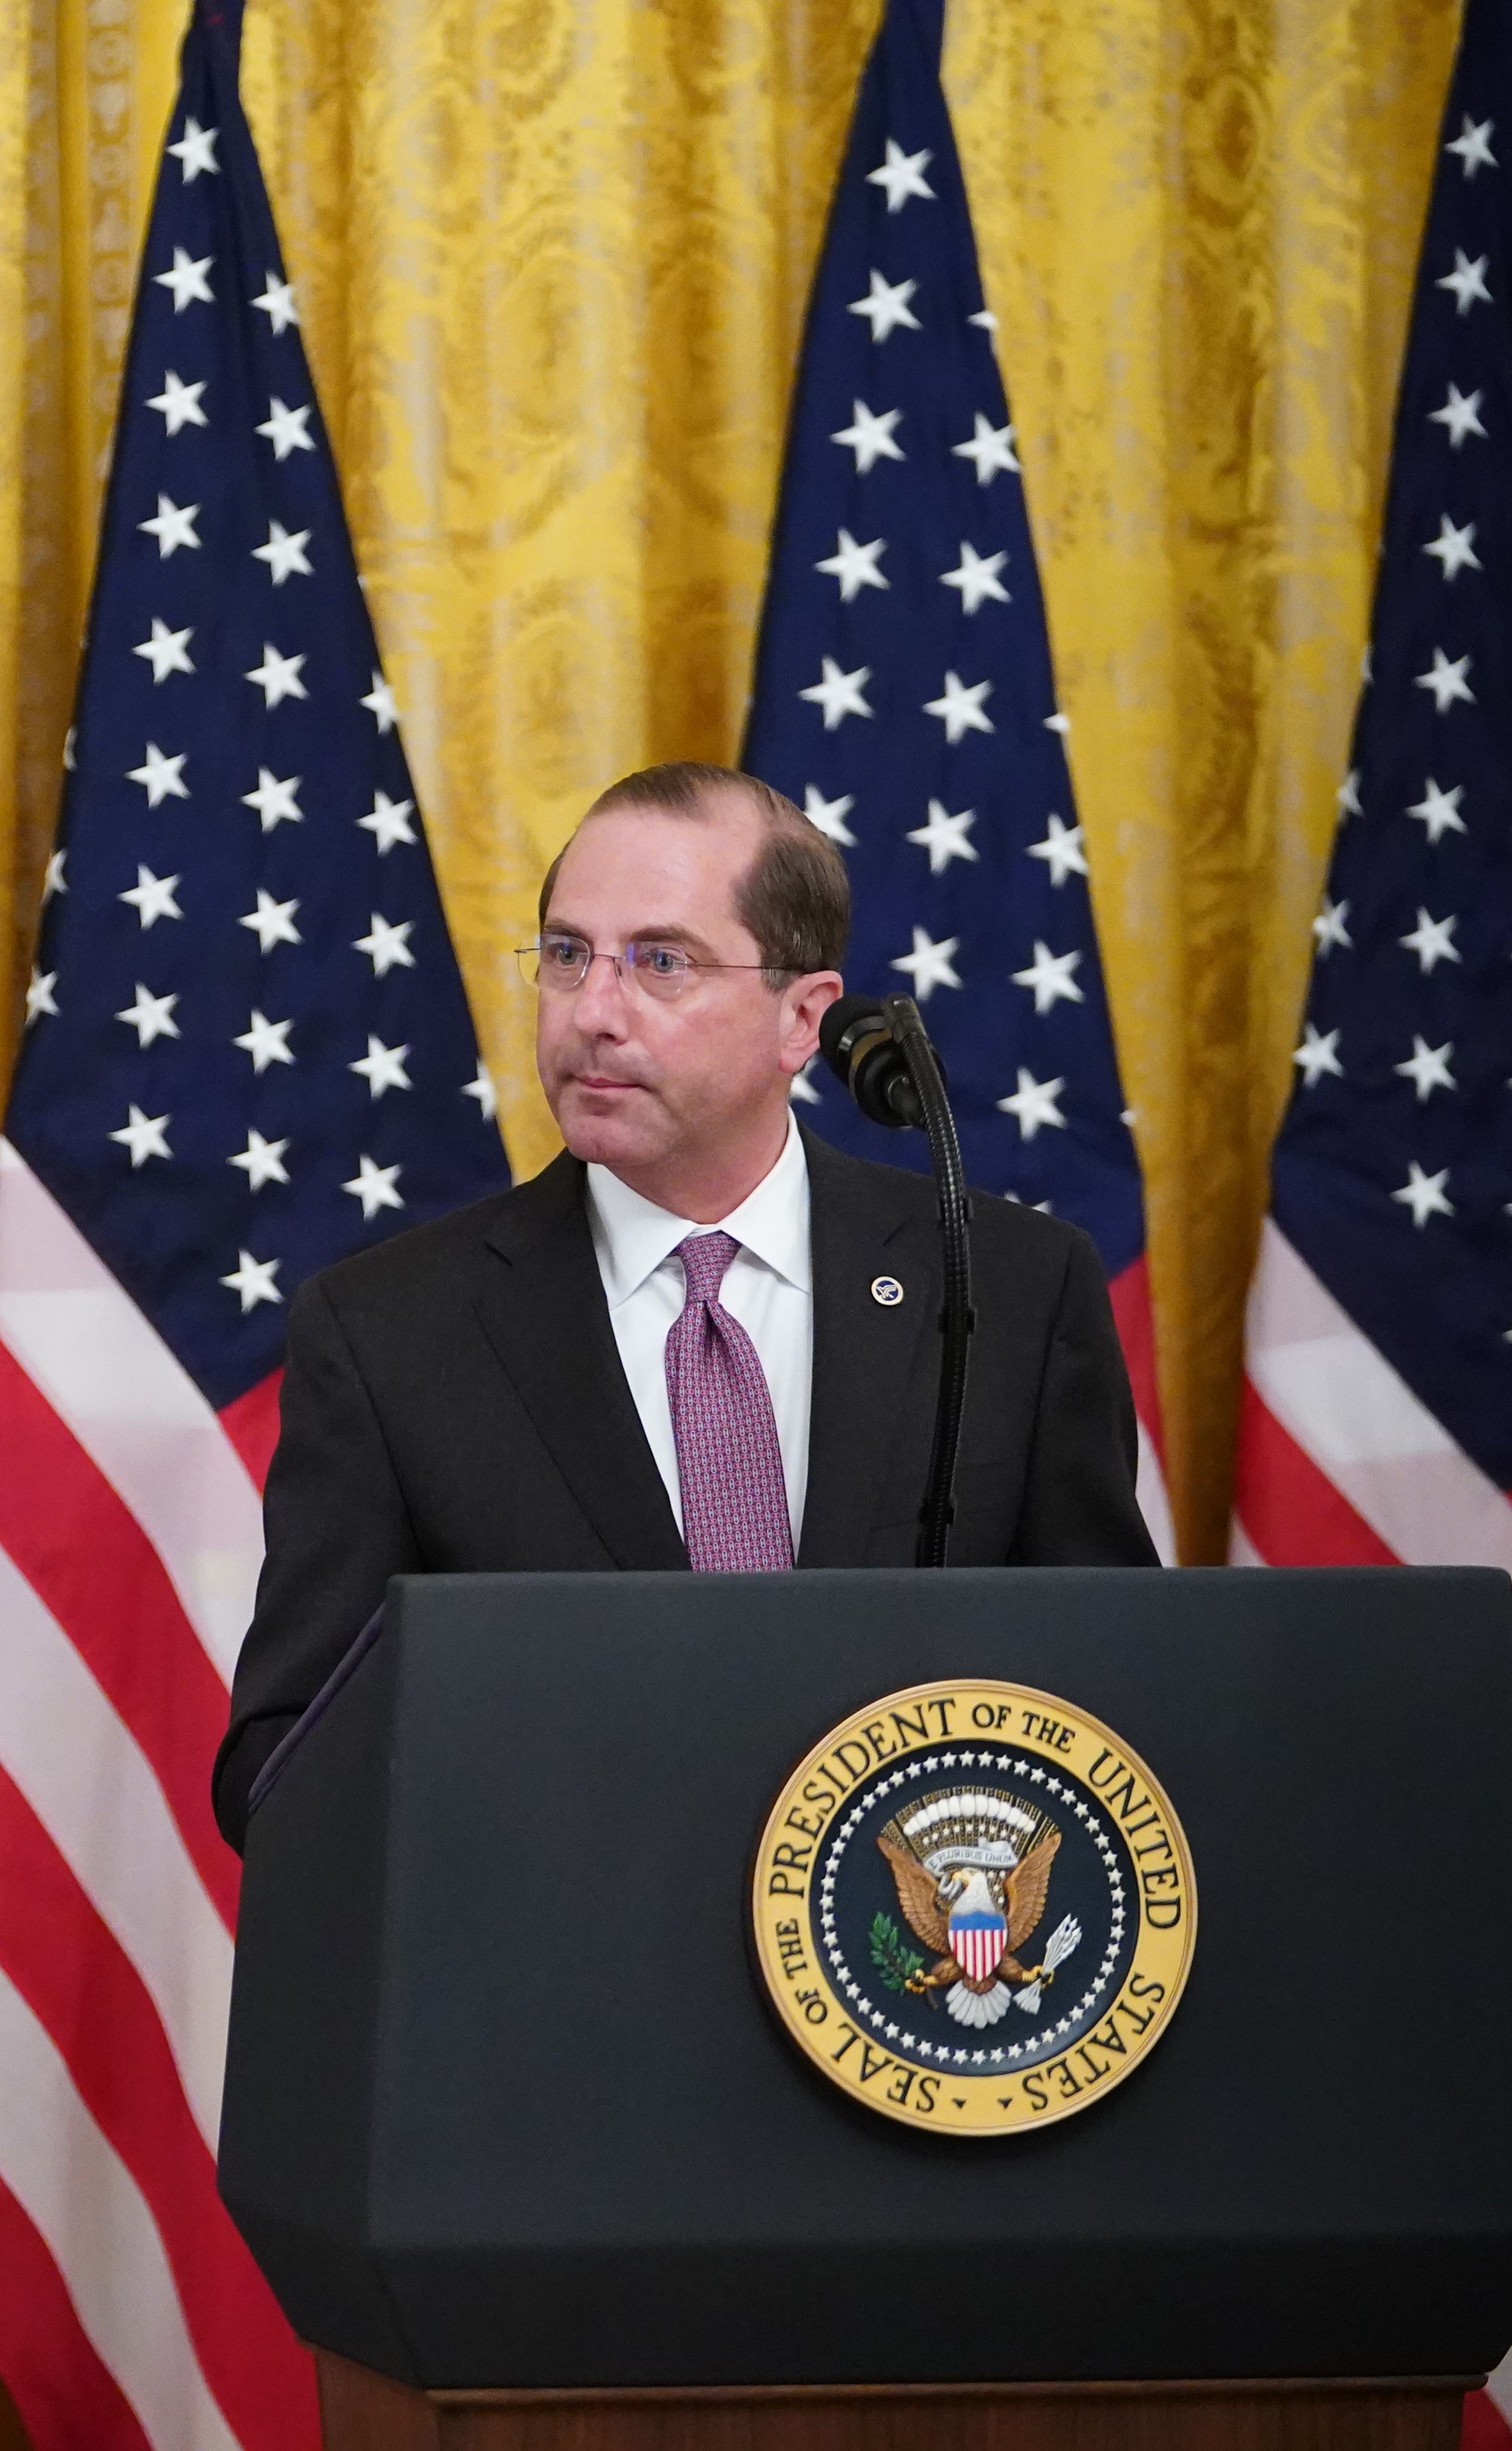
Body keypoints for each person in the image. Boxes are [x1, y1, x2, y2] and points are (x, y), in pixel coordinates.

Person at [214, 762, 1157, 1846]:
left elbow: (1112, 1703)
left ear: (804, 1018)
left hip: (920, 1979)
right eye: (568, 956)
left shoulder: (1012, 1291)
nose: (593, 1013)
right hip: (557, 1983)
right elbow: (281, 1768)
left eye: (660, 962)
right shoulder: (388, 1333)